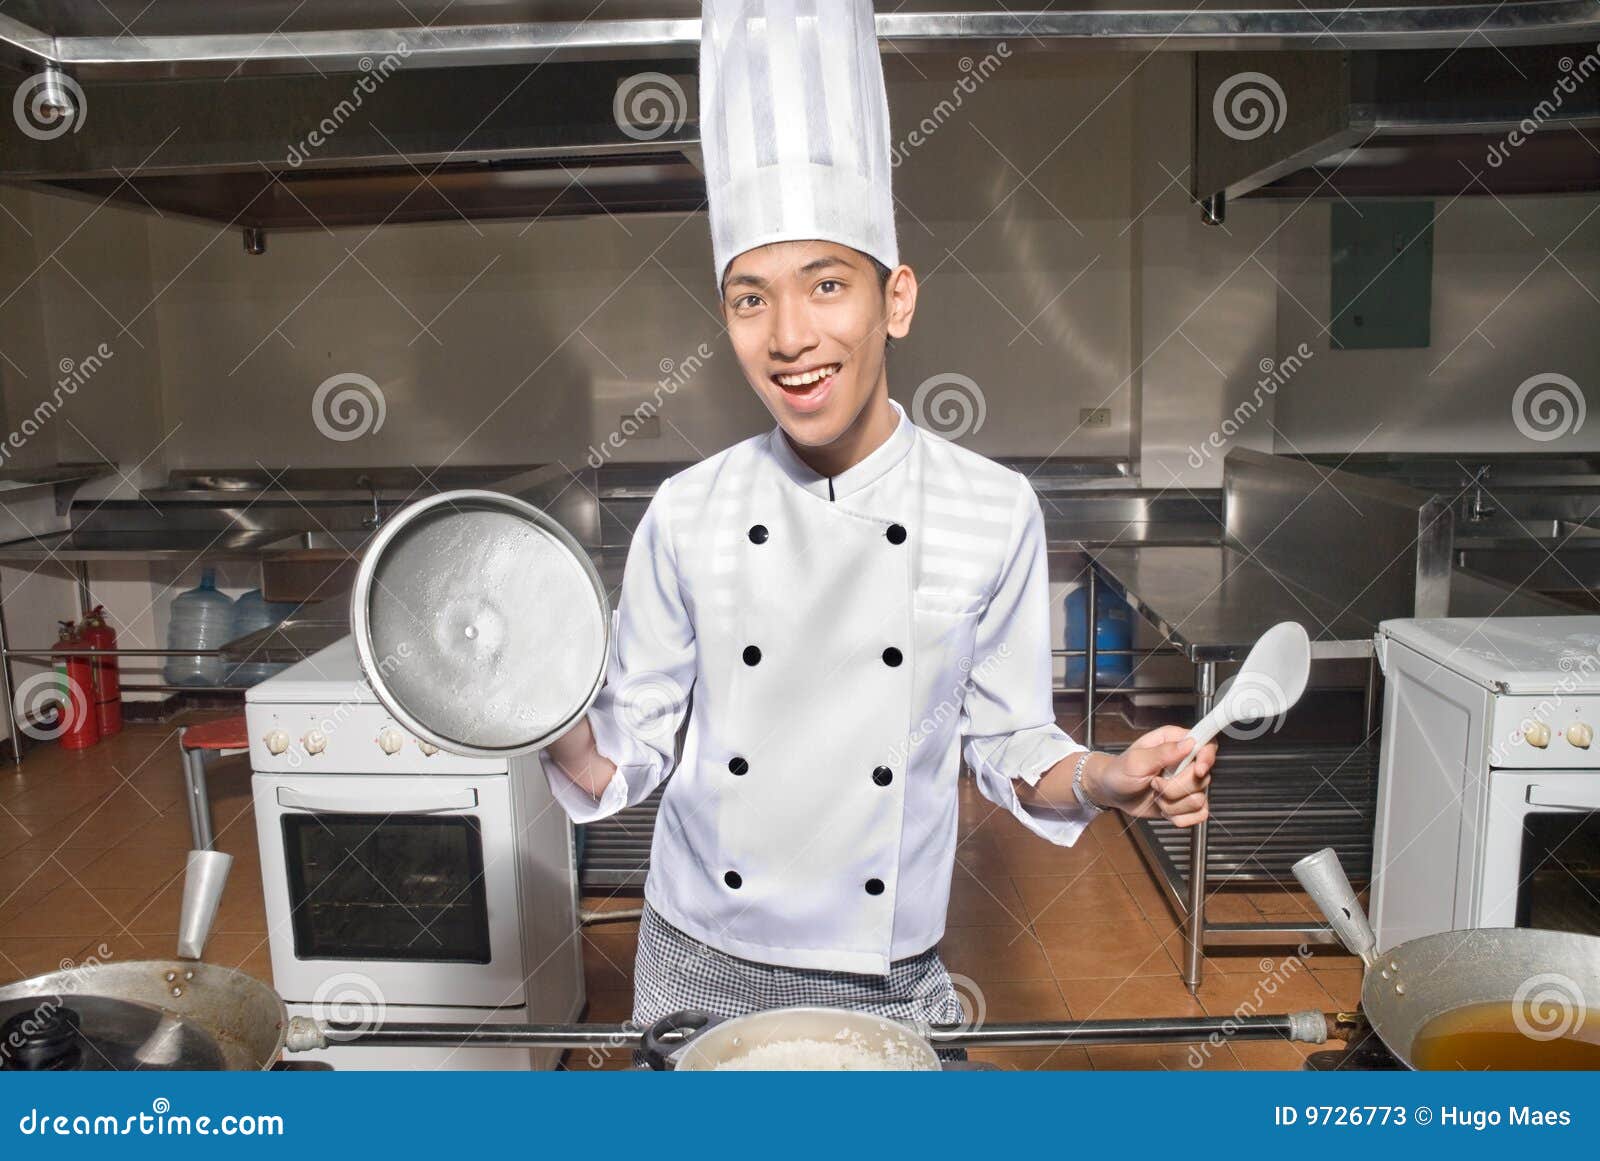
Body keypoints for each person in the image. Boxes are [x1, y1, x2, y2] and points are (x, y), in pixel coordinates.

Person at [541, 0, 1217, 1062]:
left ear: (895, 300)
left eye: (826, 286)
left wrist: (1107, 776)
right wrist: (535, 706)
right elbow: (616, 760)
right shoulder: (689, 512)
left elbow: (1006, 745)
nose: (791, 337)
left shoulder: (989, 509)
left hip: (889, 968)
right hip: (696, 955)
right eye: (749, 299)